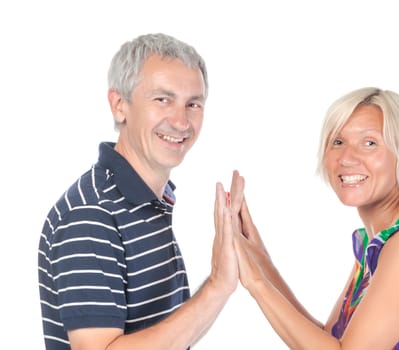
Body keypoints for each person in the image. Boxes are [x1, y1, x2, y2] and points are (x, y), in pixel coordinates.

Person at [226, 87, 399, 349]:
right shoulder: (379, 242)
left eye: (369, 143)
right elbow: (329, 340)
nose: (347, 158)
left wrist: (255, 283)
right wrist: (259, 260)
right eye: (337, 142)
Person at [38, 33, 245, 350]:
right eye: (162, 99)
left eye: (193, 104)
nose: (180, 121)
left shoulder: (150, 201)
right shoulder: (91, 215)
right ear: (119, 105)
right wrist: (217, 286)